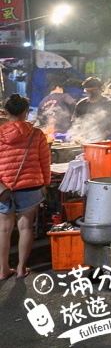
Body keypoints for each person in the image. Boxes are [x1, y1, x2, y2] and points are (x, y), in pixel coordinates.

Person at [0, 94, 50, 279]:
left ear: (5, 112)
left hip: (4, 188)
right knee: (26, 227)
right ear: (26, 112)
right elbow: (45, 162)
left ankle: (3, 270)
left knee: (4, 229)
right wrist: (45, 182)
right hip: (30, 185)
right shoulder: (37, 134)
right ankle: (21, 268)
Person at [70, 76, 111, 141]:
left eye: (94, 90)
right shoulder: (81, 104)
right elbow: (75, 122)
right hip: (84, 139)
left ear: (100, 89)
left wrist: (108, 132)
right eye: (88, 91)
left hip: (104, 140)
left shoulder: (109, 103)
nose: (91, 93)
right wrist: (76, 135)